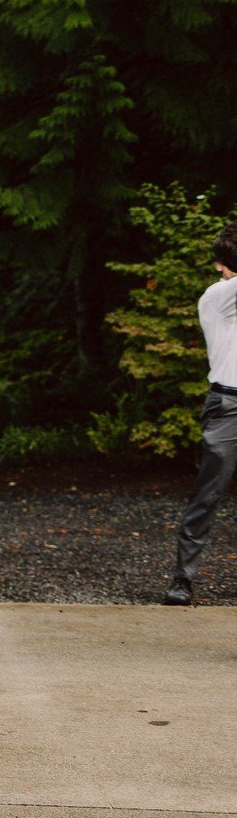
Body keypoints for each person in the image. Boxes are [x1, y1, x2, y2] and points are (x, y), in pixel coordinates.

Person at [163, 221, 237, 606]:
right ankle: (183, 579)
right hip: (229, 405)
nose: (220, 269)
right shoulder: (218, 295)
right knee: (207, 495)